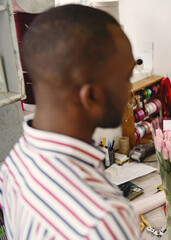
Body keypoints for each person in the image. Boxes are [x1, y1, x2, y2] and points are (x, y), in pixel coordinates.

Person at [0, 5, 141, 239]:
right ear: (92, 96)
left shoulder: (15, 163)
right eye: (126, 77)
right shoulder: (104, 221)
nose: (130, 88)